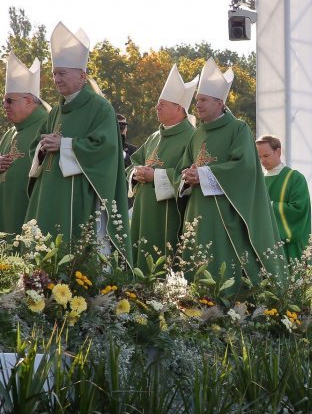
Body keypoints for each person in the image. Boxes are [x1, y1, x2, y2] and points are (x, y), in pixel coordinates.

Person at [26, 22, 132, 264]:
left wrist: (64, 145)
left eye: (62, 73)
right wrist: (43, 148)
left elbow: (105, 149)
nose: (56, 79)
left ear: (82, 76)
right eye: (54, 73)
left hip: (79, 193)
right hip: (50, 191)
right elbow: (37, 147)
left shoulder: (100, 108)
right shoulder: (55, 112)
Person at [178, 58, 285, 294]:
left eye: (203, 100)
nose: (198, 105)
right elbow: (184, 169)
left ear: (220, 102)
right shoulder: (196, 136)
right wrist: (187, 177)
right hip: (196, 210)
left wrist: (204, 175)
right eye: (197, 101)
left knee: (221, 265)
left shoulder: (238, 129)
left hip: (223, 212)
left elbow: (245, 168)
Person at [127, 65, 197, 271]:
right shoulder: (154, 136)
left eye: (162, 104)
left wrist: (155, 176)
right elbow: (133, 163)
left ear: (179, 108)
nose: (156, 108)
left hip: (167, 213)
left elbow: (187, 177)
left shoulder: (192, 137)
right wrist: (135, 174)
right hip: (142, 210)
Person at [0, 53, 49, 235]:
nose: (4, 105)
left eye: (9, 100)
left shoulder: (48, 126)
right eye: (4, 100)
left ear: (28, 101)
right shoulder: (9, 133)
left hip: (31, 218)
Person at [257, 134, 311, 264]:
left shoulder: (294, 178)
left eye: (266, 156)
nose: (262, 161)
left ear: (278, 152)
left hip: (289, 246)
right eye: (259, 157)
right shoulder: (258, 180)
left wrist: (266, 206)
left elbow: (298, 210)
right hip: (263, 245)